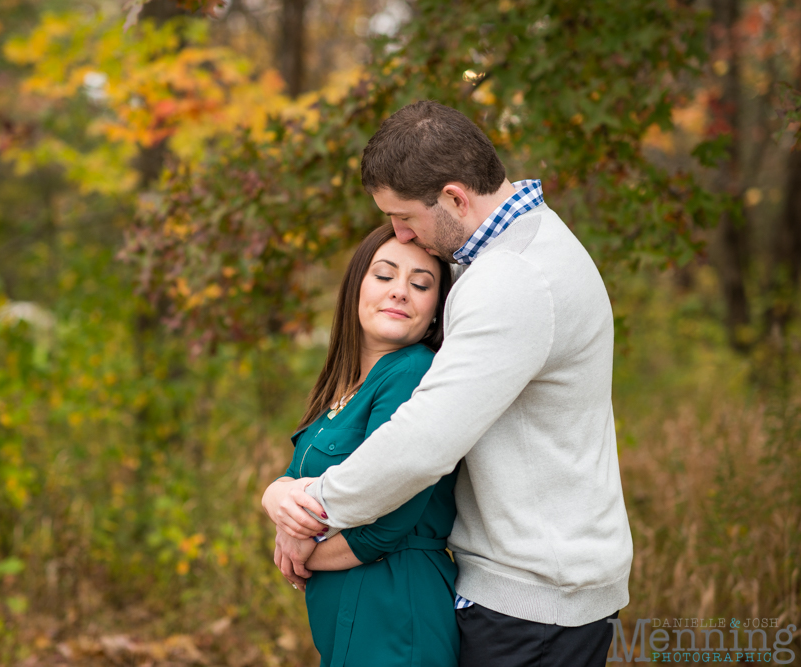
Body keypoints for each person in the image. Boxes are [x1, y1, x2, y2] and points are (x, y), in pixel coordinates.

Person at [265, 100, 634, 667]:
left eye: (405, 216)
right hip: (533, 590)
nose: (399, 233)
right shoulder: (515, 251)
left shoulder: (515, 278)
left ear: (456, 198)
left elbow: (423, 443)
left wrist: (308, 512)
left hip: (533, 604)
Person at [261, 223, 458, 667]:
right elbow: (302, 477)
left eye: (420, 284)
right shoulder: (346, 385)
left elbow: (388, 523)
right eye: (384, 275)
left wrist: (304, 554)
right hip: (352, 619)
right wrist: (273, 496)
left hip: (394, 611)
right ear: (356, 287)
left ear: (436, 310)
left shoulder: (412, 372)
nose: (400, 292)